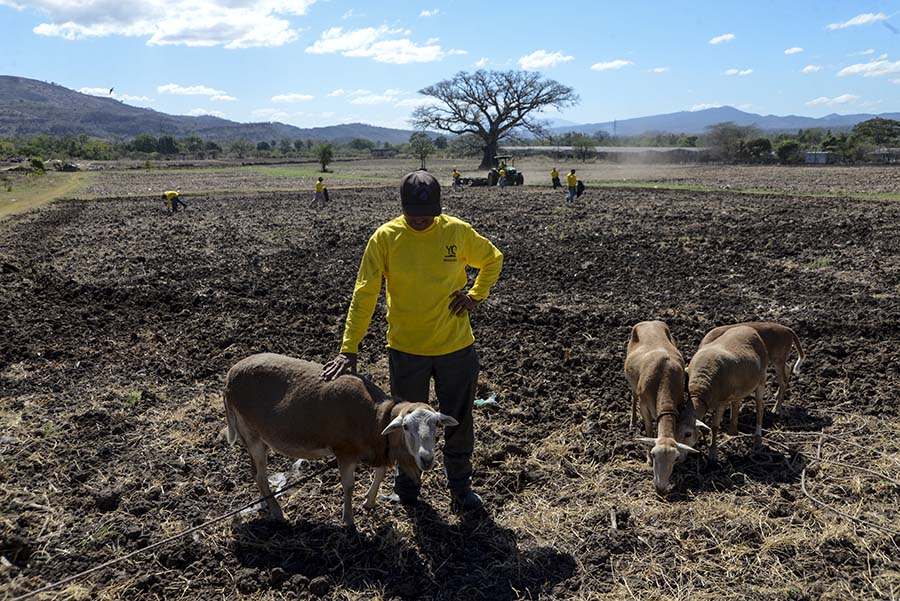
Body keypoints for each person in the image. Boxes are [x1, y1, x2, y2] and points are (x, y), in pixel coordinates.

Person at [321, 170, 503, 512]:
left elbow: (493, 259)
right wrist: (349, 347)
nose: (420, 221)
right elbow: (365, 294)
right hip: (407, 351)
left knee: (459, 422)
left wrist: (476, 295)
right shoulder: (386, 238)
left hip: (456, 349)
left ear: (438, 209)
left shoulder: (457, 232)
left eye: (427, 216)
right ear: (402, 208)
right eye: (413, 215)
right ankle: (406, 489)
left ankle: (460, 487)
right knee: (406, 425)